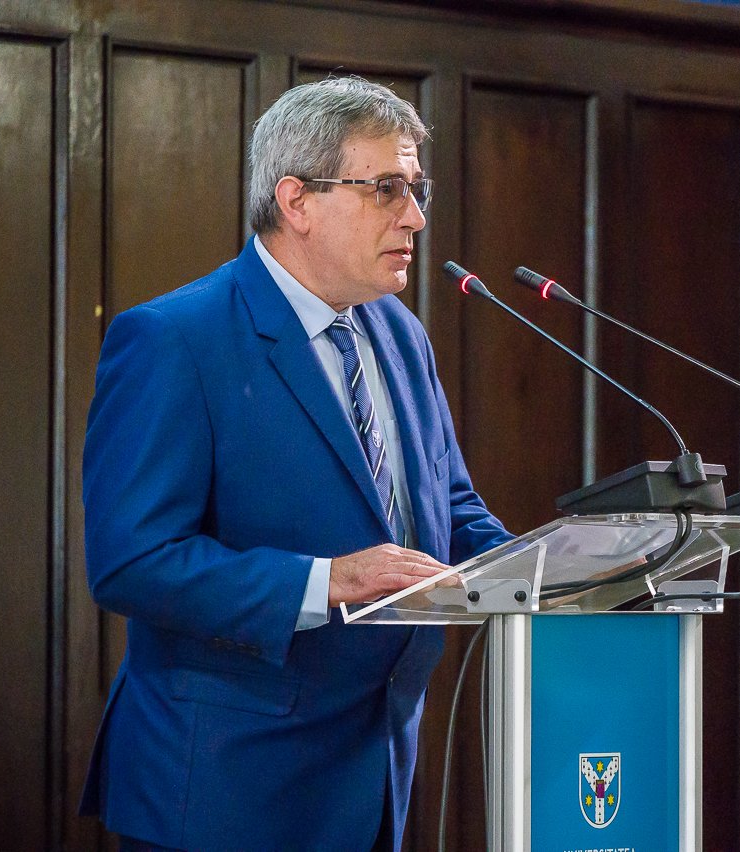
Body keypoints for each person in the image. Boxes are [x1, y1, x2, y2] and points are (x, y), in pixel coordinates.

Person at [79, 76, 511, 851]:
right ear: (297, 201)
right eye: (385, 189)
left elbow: (448, 509)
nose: (414, 216)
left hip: (373, 776)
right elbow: (131, 562)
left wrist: (558, 571)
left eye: (416, 189)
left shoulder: (400, 333)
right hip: (225, 792)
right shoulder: (176, 338)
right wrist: (326, 581)